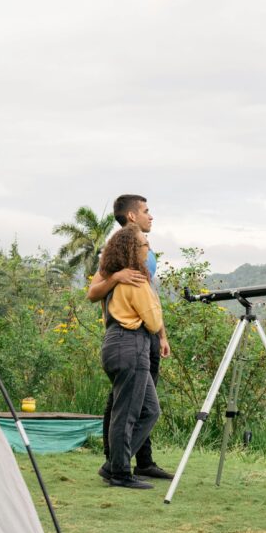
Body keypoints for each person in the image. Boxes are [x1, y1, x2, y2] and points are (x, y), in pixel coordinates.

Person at [87, 194, 174, 481]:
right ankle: (117, 465)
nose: (151, 216)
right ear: (132, 216)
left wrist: (161, 335)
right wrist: (116, 276)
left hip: (145, 333)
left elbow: (151, 297)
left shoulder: (143, 251)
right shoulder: (118, 249)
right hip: (127, 334)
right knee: (125, 402)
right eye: (147, 211)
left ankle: (141, 461)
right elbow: (92, 293)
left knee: (144, 402)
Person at [95, 226, 163, 489]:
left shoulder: (118, 280)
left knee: (149, 409)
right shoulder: (135, 280)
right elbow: (154, 321)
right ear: (134, 250)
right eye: (145, 245)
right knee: (127, 413)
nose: (148, 249)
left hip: (116, 343)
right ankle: (120, 473)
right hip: (130, 344)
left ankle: (114, 464)